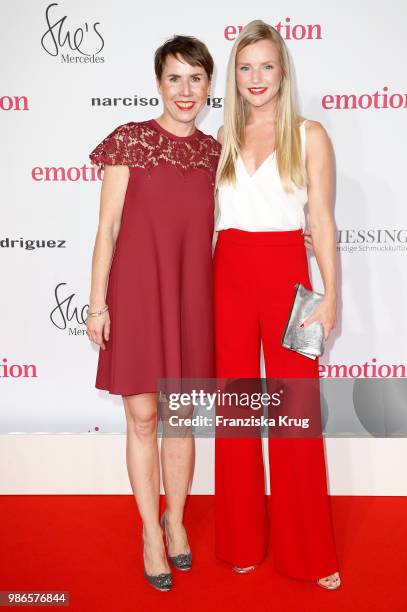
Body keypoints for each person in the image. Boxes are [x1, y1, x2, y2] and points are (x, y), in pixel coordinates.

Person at [86, 35, 220, 592]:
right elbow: (108, 228)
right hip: (138, 294)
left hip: (193, 297)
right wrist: (98, 303)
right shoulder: (130, 141)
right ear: (157, 83)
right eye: (174, 78)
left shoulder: (217, 152)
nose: (185, 90)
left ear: (210, 85)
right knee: (143, 418)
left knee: (182, 421)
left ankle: (177, 521)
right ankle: (149, 531)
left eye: (196, 78)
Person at [213, 20, 341, 590]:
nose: (256, 78)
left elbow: (322, 221)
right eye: (245, 67)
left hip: (291, 277)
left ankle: (311, 553)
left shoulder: (309, 133)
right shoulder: (221, 136)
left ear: (283, 69)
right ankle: (241, 541)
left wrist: (331, 296)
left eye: (266, 66)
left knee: (296, 417)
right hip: (229, 276)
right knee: (237, 415)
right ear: (234, 75)